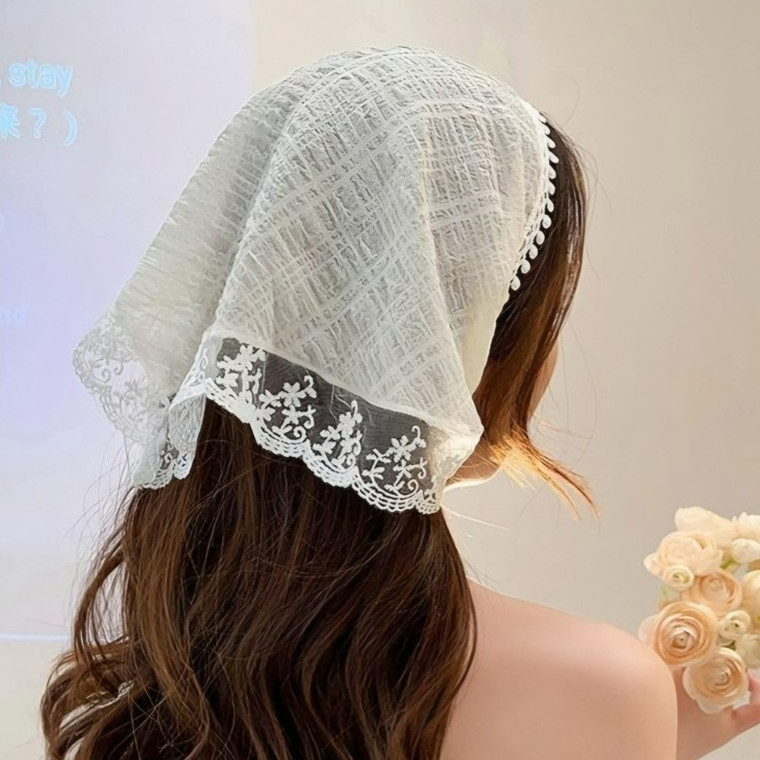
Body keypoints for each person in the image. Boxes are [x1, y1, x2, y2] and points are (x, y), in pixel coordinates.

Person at [40, 46, 760, 760]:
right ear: (464, 335)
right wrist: (624, 729)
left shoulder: (154, 687)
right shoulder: (597, 688)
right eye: (550, 314)